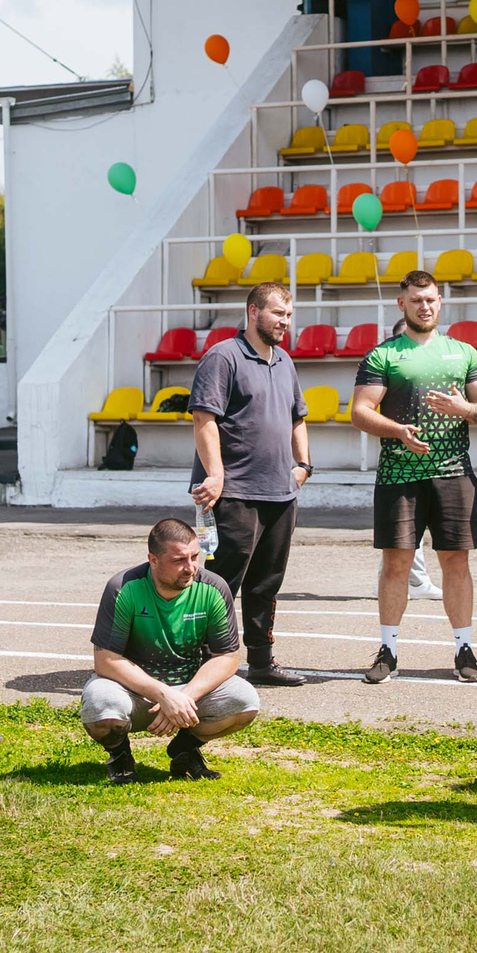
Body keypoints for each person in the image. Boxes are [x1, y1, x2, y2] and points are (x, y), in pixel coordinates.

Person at [352, 271, 477, 683]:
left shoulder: (464, 352)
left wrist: (465, 409)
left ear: (440, 302)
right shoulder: (383, 355)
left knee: (456, 563)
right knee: (395, 565)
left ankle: (464, 651)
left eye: (431, 299)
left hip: (454, 474)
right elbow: (360, 412)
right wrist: (397, 431)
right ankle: (388, 650)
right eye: (416, 300)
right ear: (402, 304)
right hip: (399, 475)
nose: (425, 306)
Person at [189, 281, 312, 687]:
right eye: (278, 313)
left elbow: (298, 418)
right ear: (253, 312)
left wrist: (304, 465)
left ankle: (261, 661)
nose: (285, 322)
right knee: (219, 581)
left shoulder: (285, 361)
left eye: (289, 315)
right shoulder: (222, 357)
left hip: (280, 492)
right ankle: (204, 662)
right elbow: (203, 419)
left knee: (266, 583)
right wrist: (217, 475)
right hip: (233, 494)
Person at [82, 518, 262, 784]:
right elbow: (106, 660)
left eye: (194, 557)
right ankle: (120, 756)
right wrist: (163, 695)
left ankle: (185, 751)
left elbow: (227, 657)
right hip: (135, 693)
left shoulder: (213, 588)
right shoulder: (123, 587)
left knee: (245, 702)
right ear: (153, 560)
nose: (190, 568)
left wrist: (184, 698)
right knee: (100, 705)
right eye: (179, 560)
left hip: (188, 691)